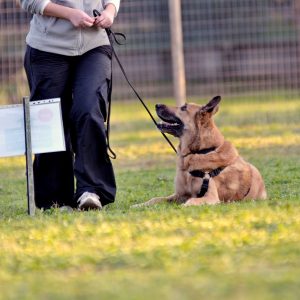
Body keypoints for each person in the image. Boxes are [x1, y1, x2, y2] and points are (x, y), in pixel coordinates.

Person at [19, 0, 120, 210]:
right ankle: (56, 199)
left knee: (89, 109)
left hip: (94, 45)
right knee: (52, 120)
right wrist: (68, 14)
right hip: (47, 47)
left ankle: (91, 190)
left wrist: (109, 11)